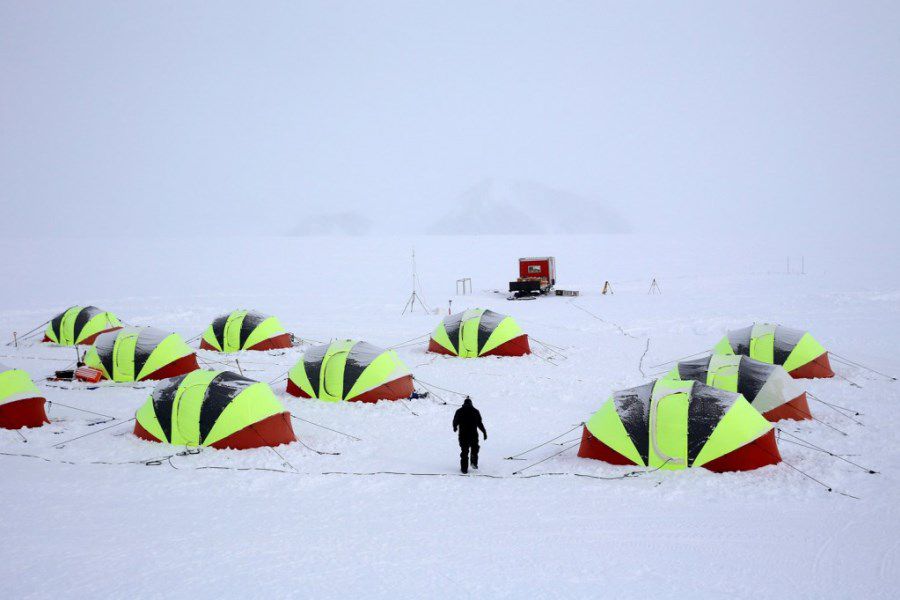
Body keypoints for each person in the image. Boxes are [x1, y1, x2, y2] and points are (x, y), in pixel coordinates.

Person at [452, 396, 487, 473]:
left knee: (464, 451)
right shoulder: (475, 411)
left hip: (463, 435)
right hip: (473, 434)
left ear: (464, 404)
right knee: (474, 449)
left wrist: (455, 427)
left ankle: (464, 469)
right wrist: (484, 432)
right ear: (471, 404)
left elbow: (455, 421)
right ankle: (473, 462)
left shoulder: (459, 411)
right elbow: (479, 423)